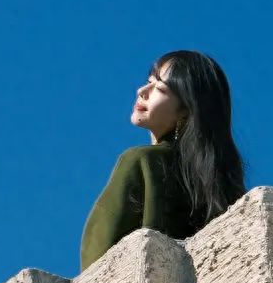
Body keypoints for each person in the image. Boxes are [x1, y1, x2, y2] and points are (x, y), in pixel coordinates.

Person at [80, 49, 246, 271]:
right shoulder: (220, 186)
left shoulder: (140, 161)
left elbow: (96, 257)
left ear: (186, 111)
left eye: (159, 88)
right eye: (148, 81)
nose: (142, 91)